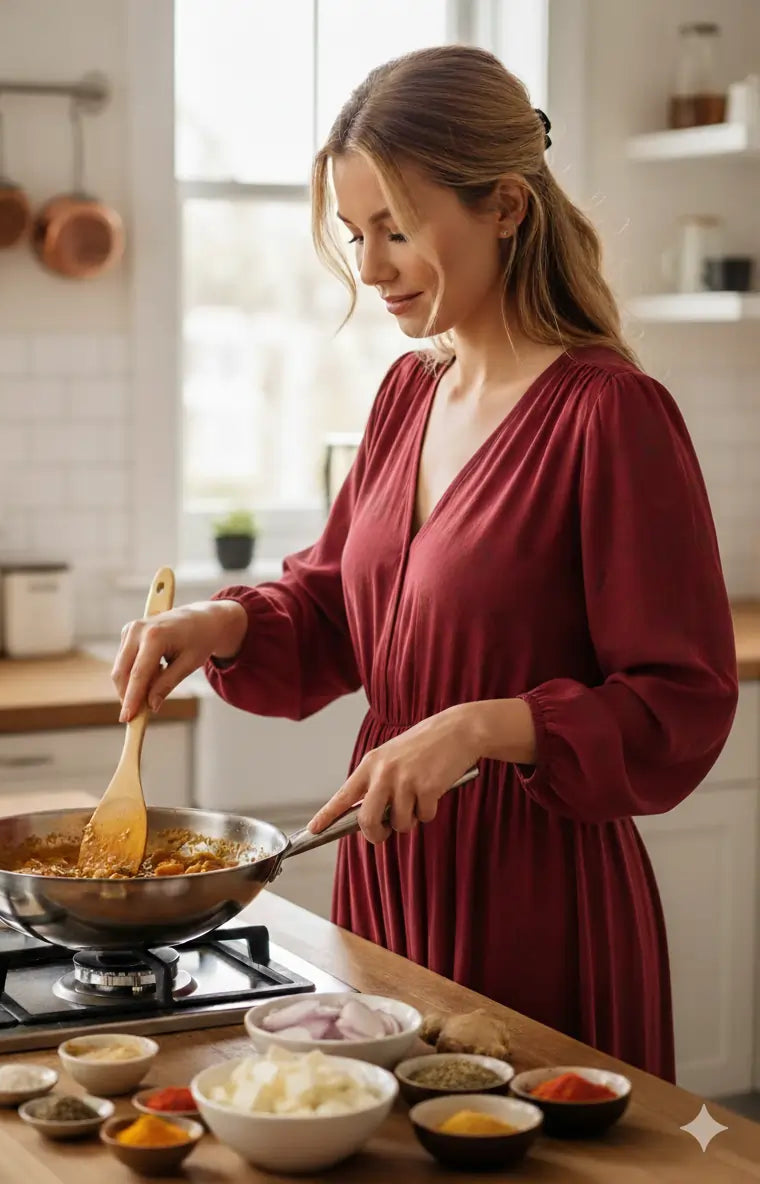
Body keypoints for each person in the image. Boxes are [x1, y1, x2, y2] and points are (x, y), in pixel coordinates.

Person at [113, 46, 738, 1081]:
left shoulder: (611, 416)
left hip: (539, 893)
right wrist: (221, 624)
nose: (371, 267)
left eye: (397, 229)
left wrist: (485, 725)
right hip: (390, 872)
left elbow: (683, 698)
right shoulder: (408, 395)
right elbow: (337, 607)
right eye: (358, 235)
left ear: (502, 206)